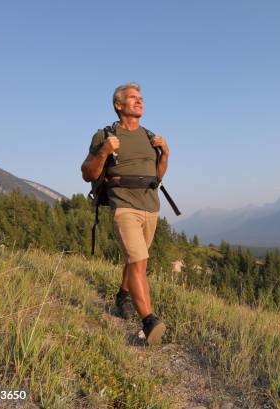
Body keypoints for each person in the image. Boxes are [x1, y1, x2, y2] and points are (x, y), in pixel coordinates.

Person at [81, 82, 168, 345]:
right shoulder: (105, 135)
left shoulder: (150, 136)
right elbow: (88, 173)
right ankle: (150, 321)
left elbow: (158, 176)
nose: (139, 101)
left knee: (135, 261)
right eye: (133, 98)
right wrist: (105, 151)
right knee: (139, 260)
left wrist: (165, 153)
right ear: (119, 105)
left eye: (140, 97)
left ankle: (122, 296)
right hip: (123, 205)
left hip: (151, 206)